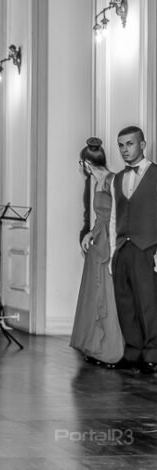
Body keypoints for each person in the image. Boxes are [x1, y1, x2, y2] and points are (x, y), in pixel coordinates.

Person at [70, 138, 123, 366]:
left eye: (81, 163)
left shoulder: (113, 180)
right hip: (97, 240)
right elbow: (100, 217)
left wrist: (113, 246)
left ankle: (111, 350)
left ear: (87, 163)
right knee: (94, 292)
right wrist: (90, 233)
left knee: (107, 293)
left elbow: (117, 217)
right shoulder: (95, 184)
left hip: (109, 241)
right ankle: (94, 347)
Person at [109, 125, 157, 374]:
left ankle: (152, 355)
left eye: (130, 144)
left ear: (143, 144)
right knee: (125, 303)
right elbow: (113, 218)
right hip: (122, 248)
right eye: (121, 145)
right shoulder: (117, 178)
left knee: (149, 304)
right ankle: (132, 353)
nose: (124, 150)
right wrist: (112, 251)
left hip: (147, 248)